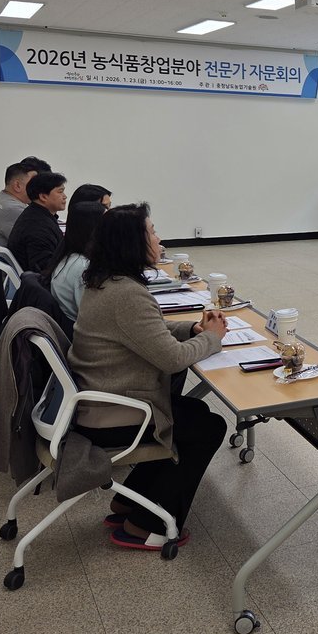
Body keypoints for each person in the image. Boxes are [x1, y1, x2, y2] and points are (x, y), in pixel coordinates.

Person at [67, 204, 229, 550]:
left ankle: (131, 501)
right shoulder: (127, 294)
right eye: (152, 232)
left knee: (196, 413)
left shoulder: (106, 281)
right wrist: (212, 338)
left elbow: (146, 329)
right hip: (114, 412)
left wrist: (192, 329)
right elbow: (172, 359)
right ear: (132, 242)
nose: (159, 238)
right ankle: (148, 525)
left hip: (101, 398)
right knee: (209, 428)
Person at [44, 201, 107, 321]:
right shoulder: (83, 267)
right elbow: (92, 317)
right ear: (93, 228)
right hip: (78, 328)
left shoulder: (70, 256)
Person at [7, 171, 67, 272]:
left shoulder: (35, 214)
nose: (65, 196)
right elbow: (43, 268)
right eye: (60, 192)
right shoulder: (38, 227)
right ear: (43, 197)